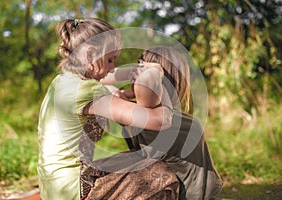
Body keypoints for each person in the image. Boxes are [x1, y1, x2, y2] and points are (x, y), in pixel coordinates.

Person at [37, 18, 178, 200]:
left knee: (136, 158)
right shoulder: (88, 90)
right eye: (110, 59)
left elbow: (111, 84)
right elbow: (159, 121)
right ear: (90, 55)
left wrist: (140, 71)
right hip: (73, 191)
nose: (113, 67)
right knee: (160, 173)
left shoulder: (64, 81)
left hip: (54, 188)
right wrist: (159, 80)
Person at [90, 46, 223, 200]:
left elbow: (100, 82)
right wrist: (124, 91)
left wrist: (147, 77)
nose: (135, 74)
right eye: (136, 68)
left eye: (142, 71)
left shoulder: (176, 123)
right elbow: (95, 81)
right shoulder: (139, 114)